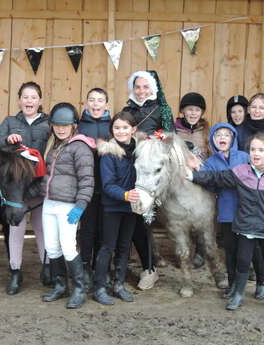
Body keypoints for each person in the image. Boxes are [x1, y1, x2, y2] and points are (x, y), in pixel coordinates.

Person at [186, 133, 264, 311]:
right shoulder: (241, 171)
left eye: (261, 150)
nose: (256, 153)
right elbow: (217, 178)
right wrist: (192, 175)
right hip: (244, 227)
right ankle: (239, 294)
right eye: (253, 149)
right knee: (243, 261)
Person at [0, 81, 50, 295]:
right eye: (25, 97)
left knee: (42, 227)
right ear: (19, 100)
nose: (29, 101)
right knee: (16, 228)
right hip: (17, 186)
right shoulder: (10, 121)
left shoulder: (48, 123)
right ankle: (15, 271)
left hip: (39, 183)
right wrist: (7, 138)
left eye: (33, 97)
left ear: (40, 101)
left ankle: (47, 267)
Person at [122, 70, 175, 290]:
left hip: (151, 167)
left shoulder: (161, 108)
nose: (142, 91)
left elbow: (169, 133)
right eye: (138, 87)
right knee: (129, 218)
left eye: (146, 87)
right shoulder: (126, 110)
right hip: (130, 166)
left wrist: (152, 139)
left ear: (153, 88)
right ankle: (123, 265)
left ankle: (149, 268)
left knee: (145, 220)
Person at [41, 102, 95, 309]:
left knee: (68, 246)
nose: (60, 128)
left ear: (74, 125)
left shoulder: (80, 147)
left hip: (67, 206)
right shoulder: (53, 146)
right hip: (49, 203)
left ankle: (79, 289)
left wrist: (81, 205)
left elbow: (87, 180)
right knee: (52, 247)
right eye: (56, 125)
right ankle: (60, 285)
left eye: (65, 125)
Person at [93, 111, 139, 305]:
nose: (121, 131)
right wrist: (125, 195)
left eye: (125, 127)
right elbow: (108, 184)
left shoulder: (139, 151)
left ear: (133, 129)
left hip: (131, 207)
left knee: (124, 246)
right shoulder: (108, 154)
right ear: (112, 130)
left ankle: (118, 284)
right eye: (117, 128)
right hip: (113, 206)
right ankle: (99, 286)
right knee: (107, 246)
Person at [200, 123, 250, 299]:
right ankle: (233, 284)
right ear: (213, 140)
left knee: (248, 251)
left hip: (247, 212)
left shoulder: (245, 157)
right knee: (230, 251)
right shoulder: (210, 162)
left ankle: (260, 282)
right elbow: (206, 180)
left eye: (226, 135)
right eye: (218, 135)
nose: (222, 138)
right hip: (226, 211)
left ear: (233, 138)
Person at [77, 87, 111, 290]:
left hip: (107, 186)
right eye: (92, 100)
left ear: (106, 105)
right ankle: (85, 266)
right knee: (87, 228)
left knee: (103, 229)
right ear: (86, 103)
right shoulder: (79, 126)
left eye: (100, 100)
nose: (96, 104)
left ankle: (102, 267)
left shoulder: (114, 125)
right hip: (86, 185)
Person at [175, 92, 211, 160]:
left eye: (197, 110)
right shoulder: (174, 130)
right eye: (190, 109)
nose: (193, 113)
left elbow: (211, 155)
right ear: (183, 110)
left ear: (201, 112)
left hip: (202, 169)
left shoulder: (206, 131)